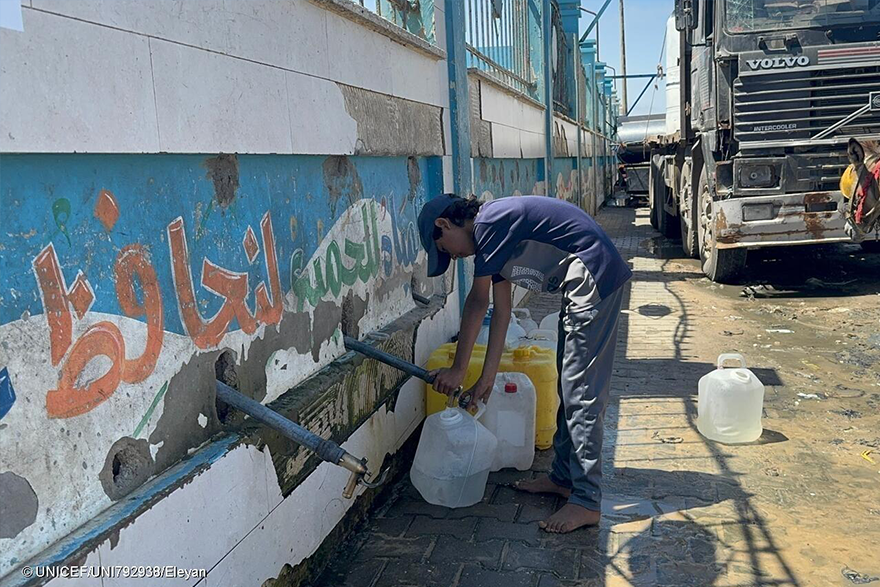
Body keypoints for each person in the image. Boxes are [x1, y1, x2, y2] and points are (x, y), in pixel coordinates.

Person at [418, 194, 631, 533]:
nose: (453, 257)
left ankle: (587, 501)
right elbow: (500, 313)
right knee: (568, 386)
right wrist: (486, 380)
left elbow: (477, 302)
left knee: (581, 394)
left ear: (444, 224)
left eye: (445, 249)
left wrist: (458, 370)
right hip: (580, 286)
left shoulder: (488, 225)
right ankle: (564, 478)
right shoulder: (494, 239)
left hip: (593, 277)